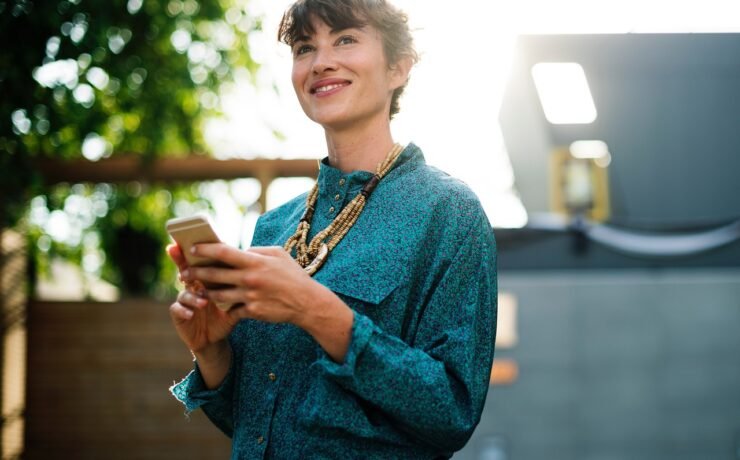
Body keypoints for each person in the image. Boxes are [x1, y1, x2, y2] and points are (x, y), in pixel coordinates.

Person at [167, 0, 498, 458]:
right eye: (305, 48)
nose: (321, 62)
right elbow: (248, 422)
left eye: (345, 39)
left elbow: (452, 412)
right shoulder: (272, 226)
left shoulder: (449, 213)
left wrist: (314, 309)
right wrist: (211, 351)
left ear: (398, 68)